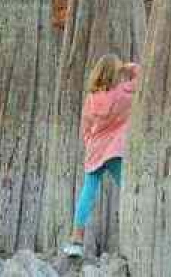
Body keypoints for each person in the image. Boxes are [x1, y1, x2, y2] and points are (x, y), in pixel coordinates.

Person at [61, 54, 140, 258]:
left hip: (95, 150)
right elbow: (141, 77)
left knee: (87, 192)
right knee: (128, 188)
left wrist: (90, 143)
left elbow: (85, 128)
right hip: (114, 150)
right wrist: (128, 68)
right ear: (116, 74)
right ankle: (138, 230)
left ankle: (76, 239)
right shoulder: (123, 94)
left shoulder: (91, 99)